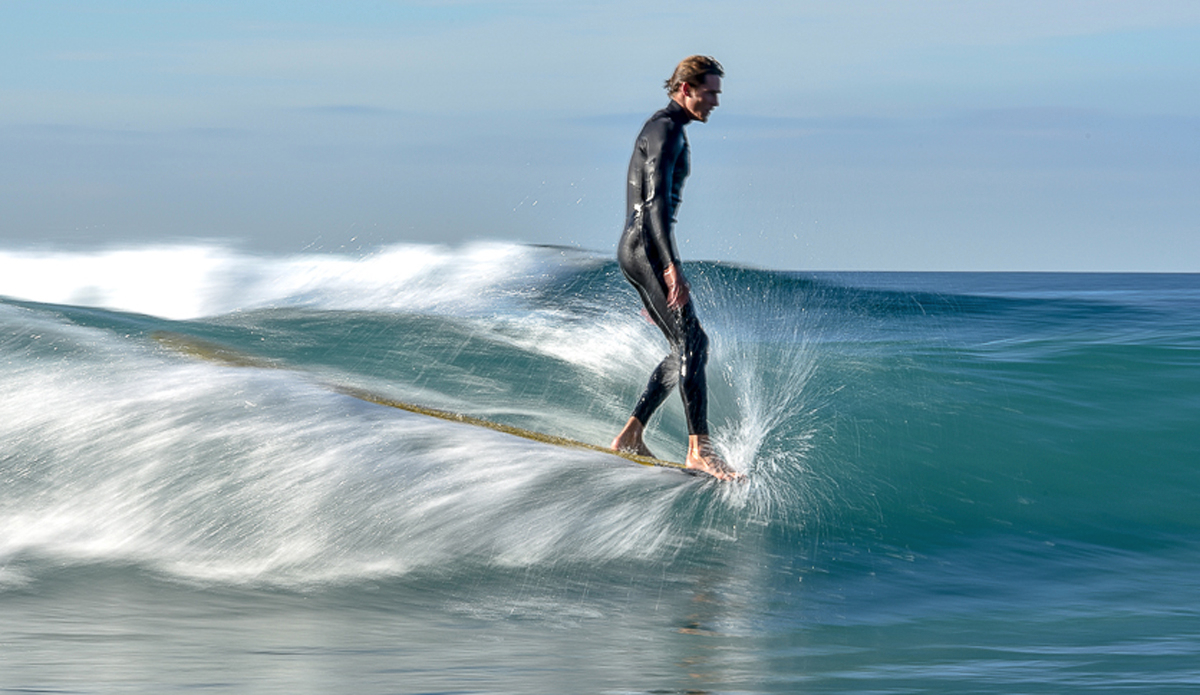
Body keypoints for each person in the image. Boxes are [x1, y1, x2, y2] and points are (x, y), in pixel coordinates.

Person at [610, 55, 740, 481]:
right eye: (710, 92)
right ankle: (699, 450)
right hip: (646, 250)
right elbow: (655, 208)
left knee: (686, 345)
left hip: (637, 250)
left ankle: (631, 434)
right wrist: (669, 270)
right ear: (686, 88)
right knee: (694, 344)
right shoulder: (666, 132)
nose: (716, 101)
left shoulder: (664, 127)